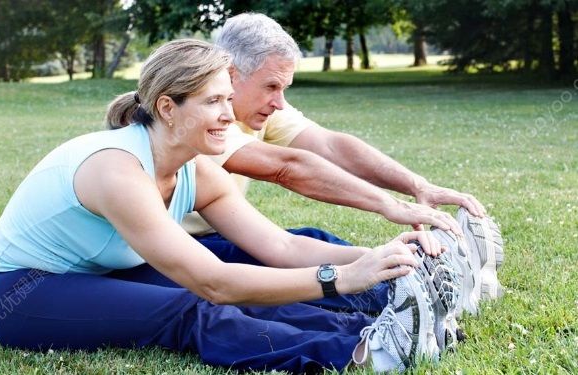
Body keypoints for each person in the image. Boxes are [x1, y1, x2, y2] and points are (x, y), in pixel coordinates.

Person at [0, 39, 452, 373]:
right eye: (213, 102)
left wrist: (391, 258)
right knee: (190, 308)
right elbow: (217, 283)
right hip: (25, 293)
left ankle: (379, 327)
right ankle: (363, 352)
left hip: (99, 273)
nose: (229, 114)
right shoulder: (116, 169)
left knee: (254, 280)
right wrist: (342, 277)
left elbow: (282, 247)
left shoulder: (197, 167)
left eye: (229, 98)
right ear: (168, 107)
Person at [181, 12, 502, 317]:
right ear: (231, 74)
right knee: (276, 272)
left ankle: (433, 280)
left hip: (223, 232)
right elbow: (286, 168)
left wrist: (417, 186)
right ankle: (421, 294)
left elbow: (330, 145)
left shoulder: (258, 107)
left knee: (314, 239)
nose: (279, 102)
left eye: (283, 89)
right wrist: (388, 205)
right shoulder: (198, 113)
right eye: (271, 87)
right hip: (180, 248)